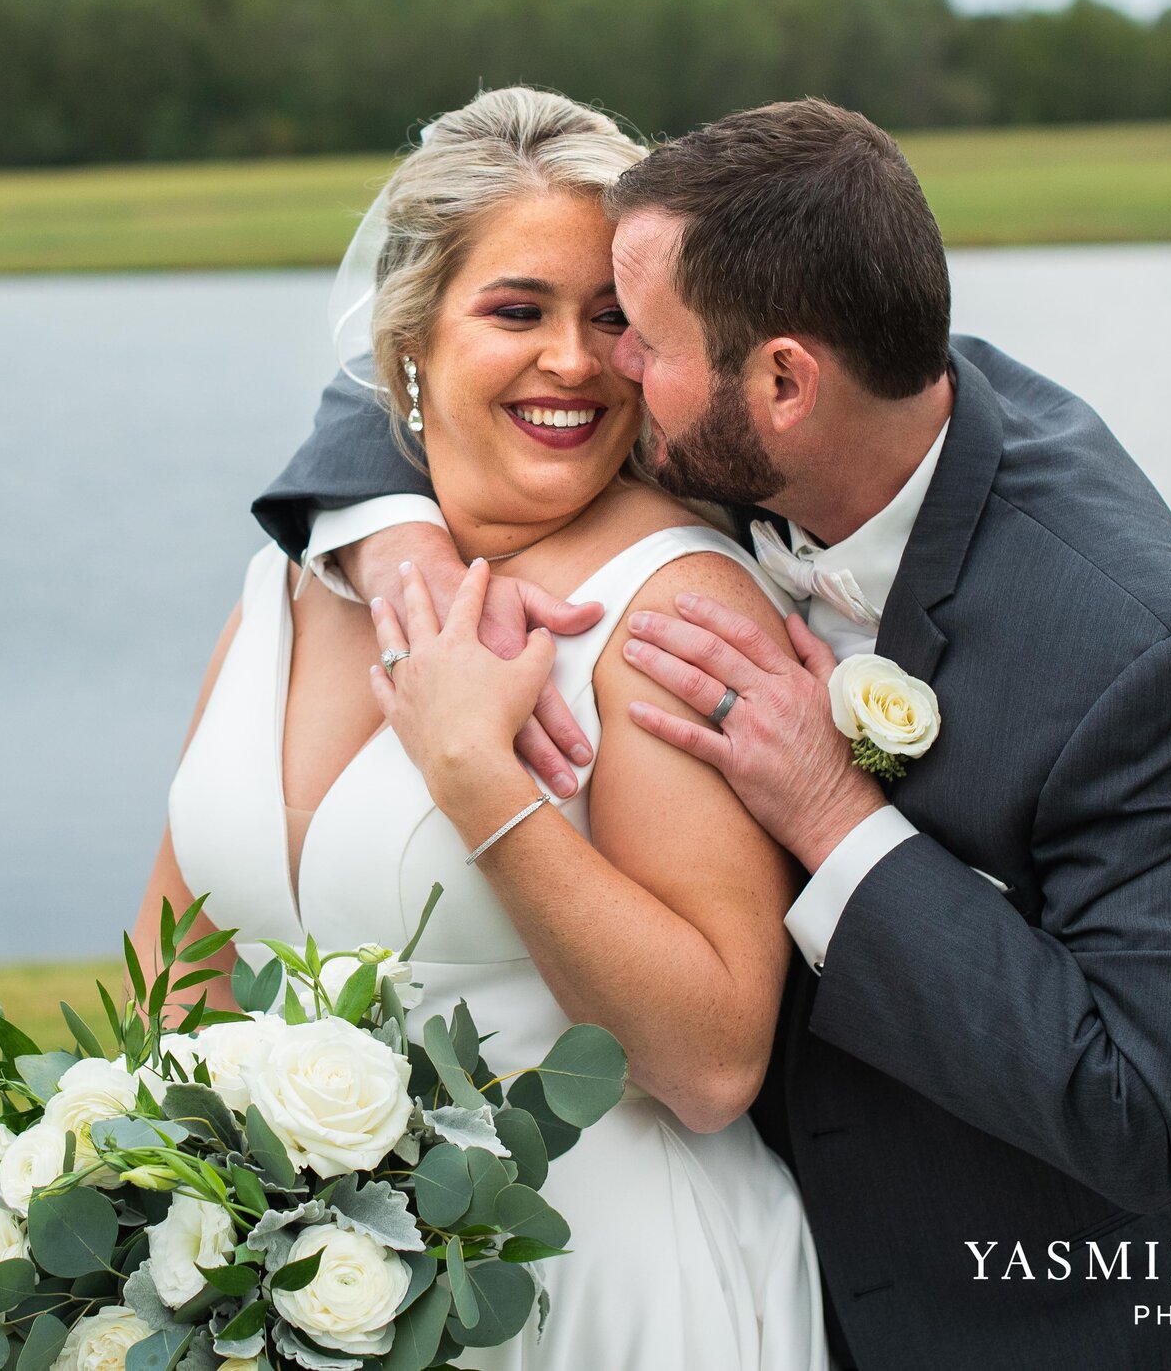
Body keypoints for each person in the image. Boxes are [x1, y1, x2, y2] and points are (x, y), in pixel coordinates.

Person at [253, 96, 1171, 1369]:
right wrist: (393, 535)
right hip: (749, 1274)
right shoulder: (772, 372)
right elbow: (420, 345)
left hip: (1061, 1315)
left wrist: (835, 816)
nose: (597, 370)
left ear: (780, 382)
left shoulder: (1141, 656)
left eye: (634, 336)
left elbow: (1143, 1109)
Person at [133, 86, 827, 1369]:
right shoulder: (297, 578)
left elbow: (713, 1058)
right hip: (327, 1299)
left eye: (612, 322)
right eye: (517, 311)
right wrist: (143, 1215)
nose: (572, 359)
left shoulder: (669, 603)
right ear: (411, 338)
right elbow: (177, 953)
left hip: (603, 1292)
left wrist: (477, 781)